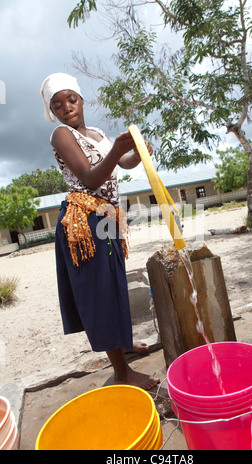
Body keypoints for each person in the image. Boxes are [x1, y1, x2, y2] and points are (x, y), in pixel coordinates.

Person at [40, 72, 160, 390]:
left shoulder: (97, 133)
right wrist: (117, 149)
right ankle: (121, 373)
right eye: (58, 104)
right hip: (85, 220)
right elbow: (92, 178)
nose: (66, 108)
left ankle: (122, 351)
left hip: (108, 217)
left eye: (71, 99)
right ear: (52, 111)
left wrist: (139, 151)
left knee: (115, 283)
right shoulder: (61, 135)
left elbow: (125, 163)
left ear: (82, 100)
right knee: (101, 292)